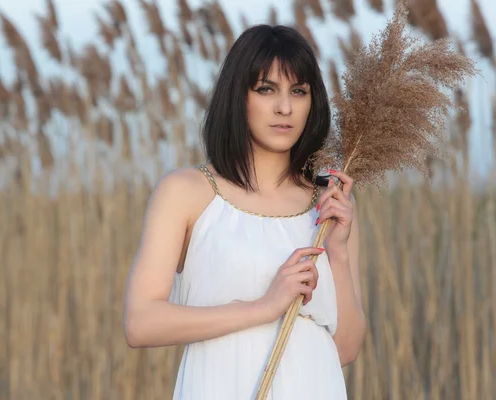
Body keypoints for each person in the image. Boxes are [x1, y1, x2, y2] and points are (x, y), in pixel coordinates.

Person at [122, 24, 366, 399]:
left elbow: (345, 348)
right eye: (267, 89)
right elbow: (140, 323)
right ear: (239, 95)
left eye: (298, 91)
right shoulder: (187, 191)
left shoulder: (328, 204)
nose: (285, 107)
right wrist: (264, 307)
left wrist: (339, 249)